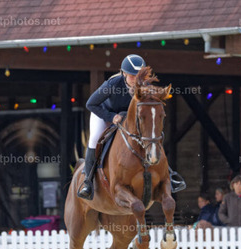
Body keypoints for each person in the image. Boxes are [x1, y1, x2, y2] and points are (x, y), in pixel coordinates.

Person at [78, 54, 185, 200]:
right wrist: (111, 117)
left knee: (150, 137)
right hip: (104, 113)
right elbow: (91, 104)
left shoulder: (144, 87)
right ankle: (88, 182)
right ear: (123, 73)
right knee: (94, 139)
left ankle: (170, 175)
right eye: (132, 76)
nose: (135, 80)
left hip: (126, 118)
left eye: (138, 76)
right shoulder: (112, 85)